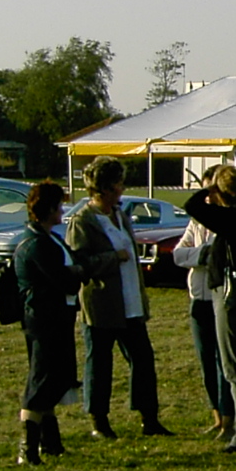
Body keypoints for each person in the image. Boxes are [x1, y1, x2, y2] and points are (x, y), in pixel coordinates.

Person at [66, 159, 171, 440]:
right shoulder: (83, 221)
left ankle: (149, 418)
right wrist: (113, 258)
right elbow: (79, 264)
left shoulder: (120, 215)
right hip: (101, 306)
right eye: (118, 184)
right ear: (104, 188)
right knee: (100, 364)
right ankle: (99, 421)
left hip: (131, 303)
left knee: (143, 360)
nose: (122, 189)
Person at [183, 164, 236, 454]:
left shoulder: (231, 218)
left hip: (229, 296)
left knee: (233, 365)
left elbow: (192, 206)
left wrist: (208, 189)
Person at [12, 180, 87, 465]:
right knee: (41, 380)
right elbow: (64, 280)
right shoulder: (37, 244)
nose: (62, 211)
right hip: (44, 319)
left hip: (56, 316)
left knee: (53, 378)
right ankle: (28, 448)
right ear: (48, 209)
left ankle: (50, 442)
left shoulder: (48, 238)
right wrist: (77, 272)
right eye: (58, 206)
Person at [173, 214, 236, 438]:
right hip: (198, 299)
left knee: (223, 362)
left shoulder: (228, 222)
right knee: (205, 360)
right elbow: (178, 255)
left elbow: (224, 257)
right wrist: (203, 254)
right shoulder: (196, 223)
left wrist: (198, 255)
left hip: (220, 298)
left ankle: (229, 418)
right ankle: (216, 416)